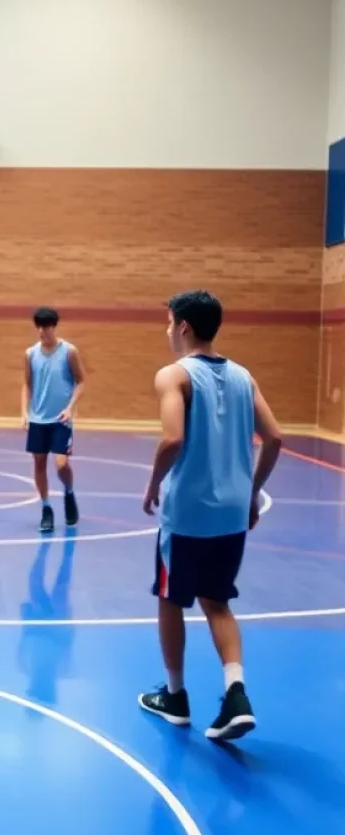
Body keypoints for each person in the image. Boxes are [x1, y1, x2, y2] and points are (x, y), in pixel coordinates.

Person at [138, 291, 281, 742]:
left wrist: (152, 484)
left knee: (169, 599)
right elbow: (274, 437)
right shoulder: (243, 376)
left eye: (168, 322)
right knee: (217, 602)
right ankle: (235, 693)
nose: (166, 330)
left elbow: (172, 440)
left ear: (182, 326)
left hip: (187, 515)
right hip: (233, 514)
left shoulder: (174, 375)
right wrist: (253, 493)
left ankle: (176, 697)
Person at [21, 307, 85, 533]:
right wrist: (24, 411)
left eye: (46, 326)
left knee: (61, 463)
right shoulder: (30, 354)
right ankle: (46, 508)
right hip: (38, 418)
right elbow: (27, 384)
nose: (42, 331)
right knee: (38, 463)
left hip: (61, 418)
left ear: (54, 327)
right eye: (38, 326)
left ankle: (68, 492)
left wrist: (70, 408)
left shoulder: (69, 351)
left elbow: (81, 382)